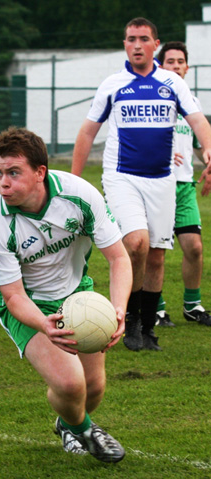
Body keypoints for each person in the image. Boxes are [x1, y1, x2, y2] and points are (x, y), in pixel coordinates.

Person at [0, 126, 132, 462]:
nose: (3, 183)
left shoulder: (79, 195)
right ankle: (89, 432)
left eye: (13, 173)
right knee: (70, 385)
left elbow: (119, 258)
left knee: (93, 388)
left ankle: (68, 425)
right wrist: (44, 325)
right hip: (28, 305)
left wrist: (119, 311)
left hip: (77, 295)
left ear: (40, 173)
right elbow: (13, 296)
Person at [71, 17, 211, 351]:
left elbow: (198, 122)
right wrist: (74, 182)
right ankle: (130, 320)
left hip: (162, 180)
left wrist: (209, 150)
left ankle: (148, 329)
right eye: (130, 39)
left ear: (155, 45)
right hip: (122, 178)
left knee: (158, 256)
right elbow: (88, 131)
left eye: (143, 38)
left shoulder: (172, 84)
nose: (136, 44)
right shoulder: (113, 84)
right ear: (125, 45)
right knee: (136, 244)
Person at [155, 41, 211, 327]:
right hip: (157, 184)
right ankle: (156, 308)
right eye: (170, 61)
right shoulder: (152, 99)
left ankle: (192, 305)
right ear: (160, 66)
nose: (176, 66)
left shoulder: (192, 103)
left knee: (194, 247)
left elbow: (200, 142)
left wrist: (208, 162)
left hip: (185, 186)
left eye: (180, 61)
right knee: (156, 250)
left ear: (187, 67)